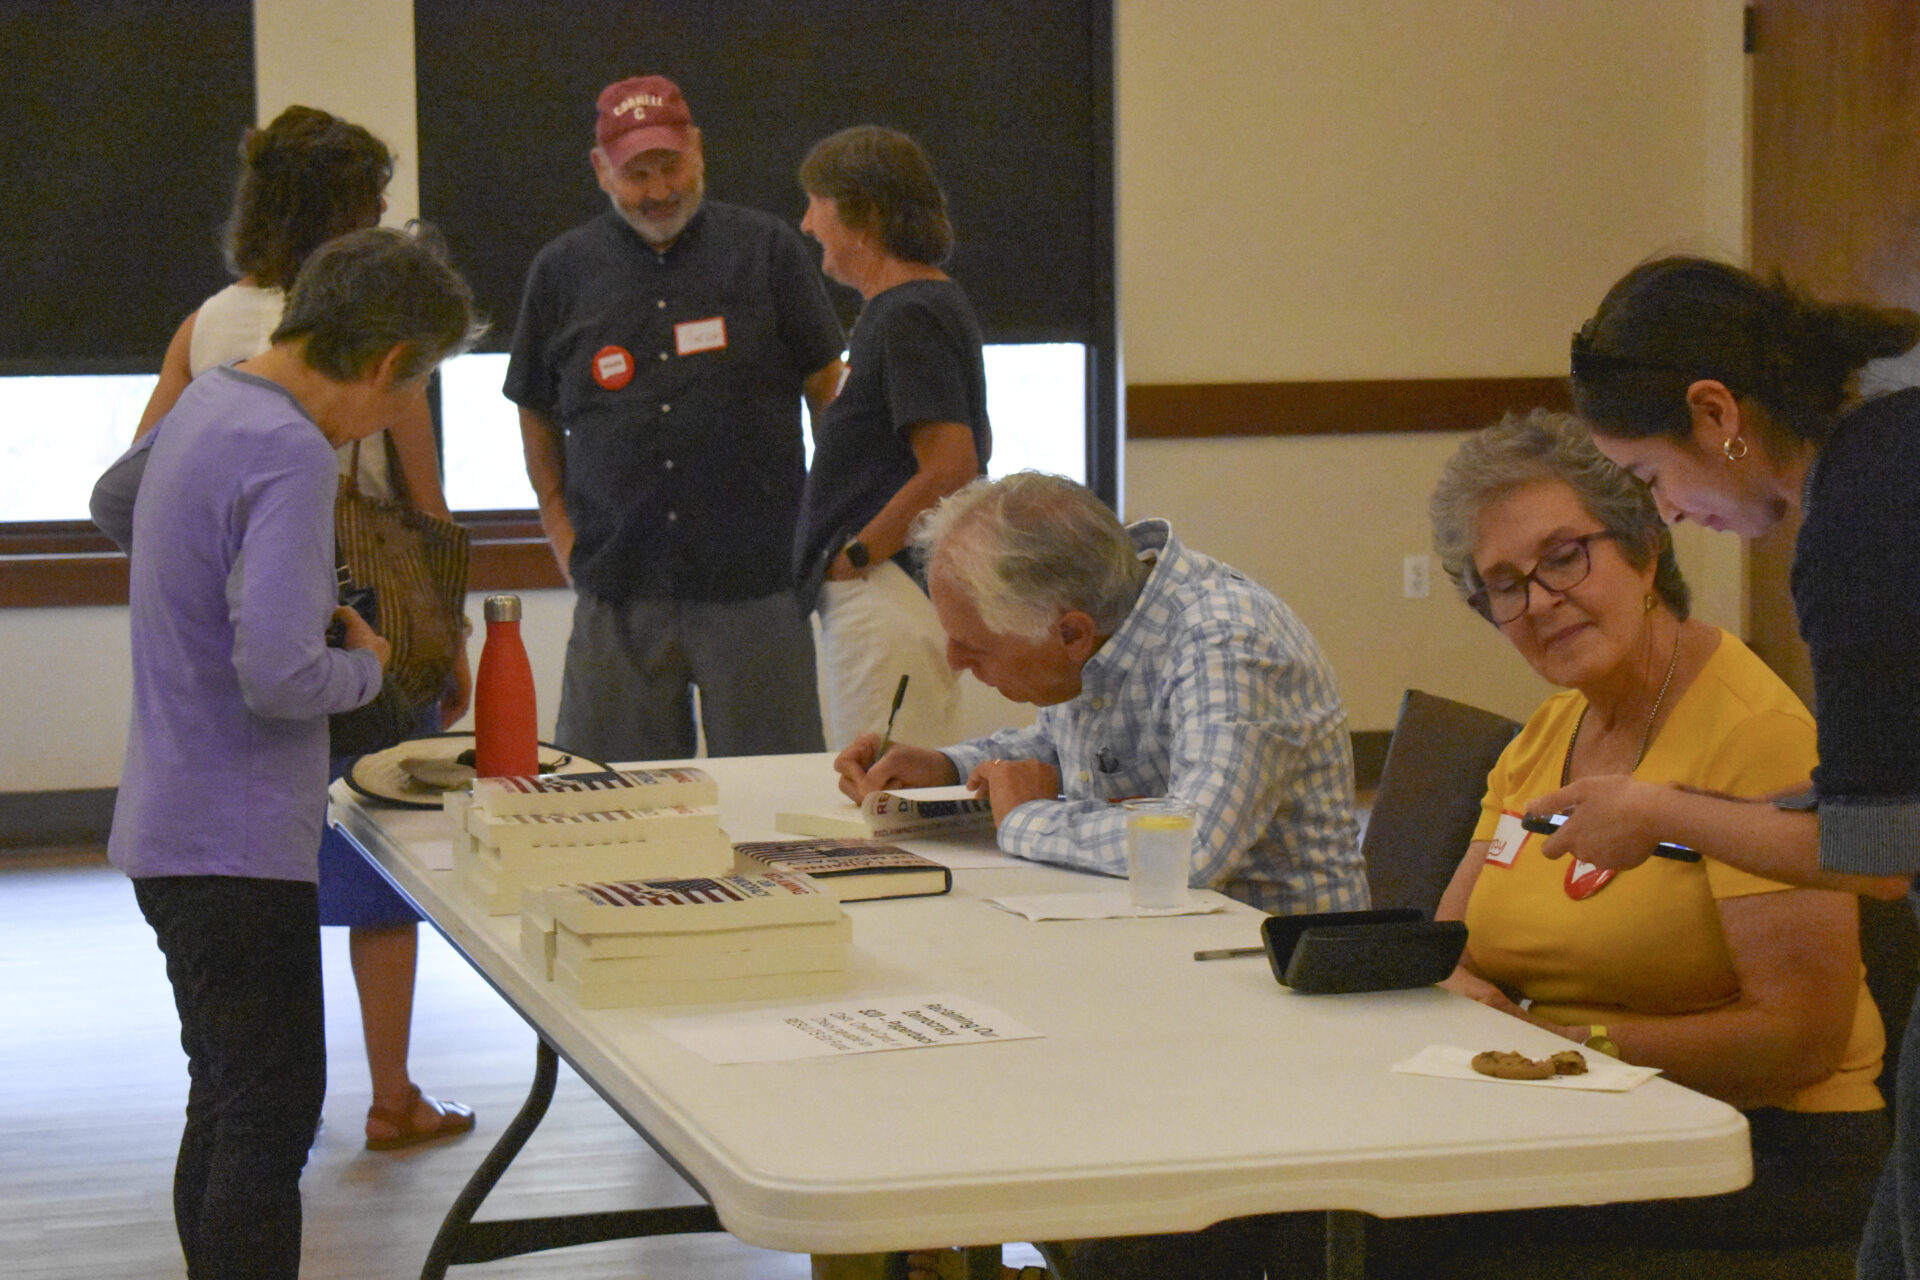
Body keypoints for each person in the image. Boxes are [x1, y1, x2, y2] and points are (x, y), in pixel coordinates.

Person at [1391, 407, 1887, 1268]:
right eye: (1505, 584)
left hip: (1758, 1151)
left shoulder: (1752, 731)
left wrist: (1559, 1050)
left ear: (1643, 546)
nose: (1541, 602)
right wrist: (1505, 1026)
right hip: (1581, 1122)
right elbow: (1451, 948)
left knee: (1398, 1233)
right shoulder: (1546, 736)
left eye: (1563, 557)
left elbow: (1798, 1036)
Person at [1518, 256, 1920, 1278]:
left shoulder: (1863, 517)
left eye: (1654, 478)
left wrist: (1659, 811)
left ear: (1717, 412)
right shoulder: (1896, 416)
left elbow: (1878, 852)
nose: (1674, 512)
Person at [92, 225, 479, 1279]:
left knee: (223, 1096)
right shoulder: (293, 448)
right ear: (392, 365)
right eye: (411, 392)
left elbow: (111, 501)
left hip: (167, 821)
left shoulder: (214, 394)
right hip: (239, 836)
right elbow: (278, 677)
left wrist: (194, 568)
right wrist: (369, 662)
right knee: (270, 1117)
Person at [835, 471, 1364, 916]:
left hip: (1283, 970)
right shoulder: (1107, 607)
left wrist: (1025, 818)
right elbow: (1061, 748)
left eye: (976, 646)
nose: (954, 661)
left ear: (1070, 633)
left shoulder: (1228, 643)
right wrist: (945, 768)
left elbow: (1189, 848)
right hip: (1157, 931)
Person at [505, 74, 846, 763]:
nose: (659, 190)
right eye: (638, 173)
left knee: (776, 805)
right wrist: (559, 527)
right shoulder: (561, 271)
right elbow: (535, 407)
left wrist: (830, 525)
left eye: (671, 166)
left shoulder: (768, 250)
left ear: (699, 152)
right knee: (607, 812)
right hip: (617, 588)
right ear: (602, 171)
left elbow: (827, 388)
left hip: (758, 585)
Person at [795, 124, 991, 751]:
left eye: (816, 203)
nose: (806, 224)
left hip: (887, 592)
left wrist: (857, 555)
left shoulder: (909, 312)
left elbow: (951, 463)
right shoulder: (903, 308)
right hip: (885, 590)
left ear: (862, 214)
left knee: (884, 792)